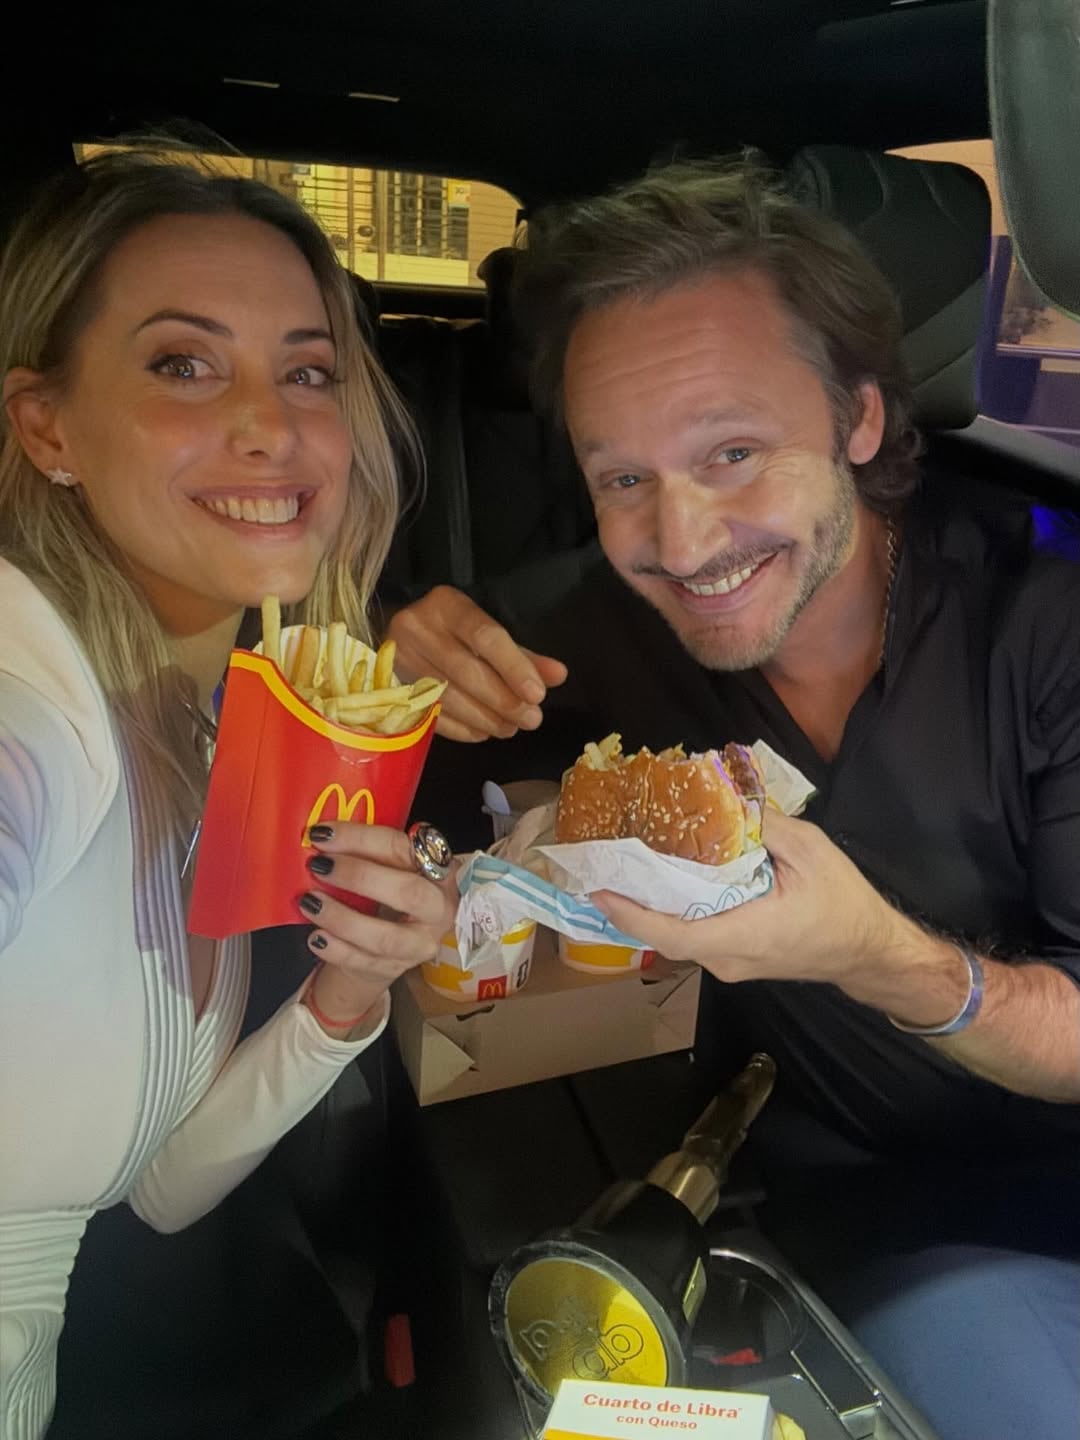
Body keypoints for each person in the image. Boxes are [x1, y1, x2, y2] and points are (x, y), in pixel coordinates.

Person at [392, 159, 1080, 1440]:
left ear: (861, 422)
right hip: (840, 1225)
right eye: (622, 478)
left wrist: (886, 961)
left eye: (736, 451)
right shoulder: (576, 636)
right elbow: (418, 860)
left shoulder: (1045, 621)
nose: (686, 538)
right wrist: (399, 668)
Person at [0, 150, 456, 1440]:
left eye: (308, 370)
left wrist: (344, 997)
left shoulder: (204, 714)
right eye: (184, 365)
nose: (273, 424)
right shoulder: (30, 674)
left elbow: (152, 1188)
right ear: (47, 428)